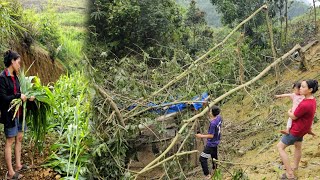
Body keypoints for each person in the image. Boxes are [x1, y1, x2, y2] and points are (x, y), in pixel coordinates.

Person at [0, 50, 35, 179]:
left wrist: (28, 98)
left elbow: (21, 94)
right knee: (9, 141)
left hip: (20, 113)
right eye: (18, 62)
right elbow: (3, 98)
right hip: (9, 115)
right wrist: (18, 96)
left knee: (19, 138)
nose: (19, 65)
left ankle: (18, 166)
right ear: (12, 61)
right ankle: (10, 173)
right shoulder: (2, 77)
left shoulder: (16, 77)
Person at [277, 79, 318, 180]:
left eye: (303, 87)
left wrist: (288, 112)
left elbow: (294, 116)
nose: (300, 88)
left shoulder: (305, 104)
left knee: (280, 147)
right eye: (301, 86)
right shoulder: (312, 100)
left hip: (296, 130)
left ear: (310, 89)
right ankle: (294, 167)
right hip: (303, 129)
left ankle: (290, 174)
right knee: (298, 146)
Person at [195, 105, 222, 180]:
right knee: (214, 158)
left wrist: (200, 136)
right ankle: (216, 170)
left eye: (210, 111)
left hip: (211, 144)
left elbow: (211, 136)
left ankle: (207, 175)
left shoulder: (213, 123)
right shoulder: (219, 118)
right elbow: (213, 117)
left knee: (202, 158)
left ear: (213, 113)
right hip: (216, 142)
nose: (209, 112)